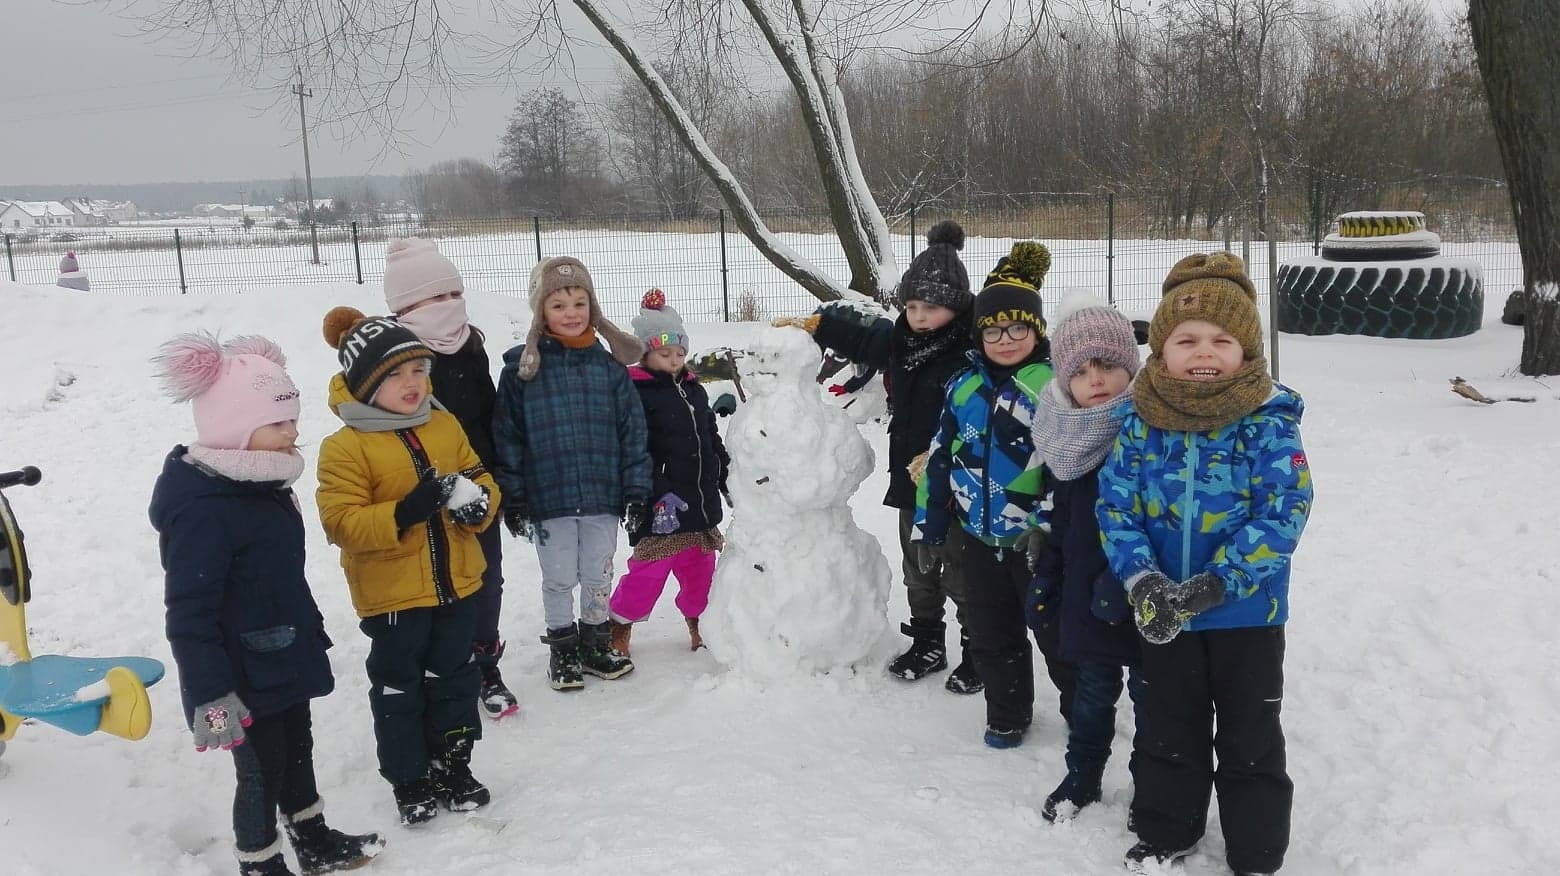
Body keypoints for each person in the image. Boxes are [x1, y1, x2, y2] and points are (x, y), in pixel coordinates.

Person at [1096, 252, 1313, 876]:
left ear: (1247, 352)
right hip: (1164, 611)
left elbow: (1284, 512)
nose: (1204, 351)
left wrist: (1220, 583)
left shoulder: (1268, 423)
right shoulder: (1140, 422)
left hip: (1247, 614)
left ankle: (1256, 848)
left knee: (1250, 736)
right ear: (1161, 350)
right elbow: (1116, 508)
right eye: (1186, 339)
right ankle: (1168, 829)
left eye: (1223, 340)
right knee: (1168, 727)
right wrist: (1145, 580)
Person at [149, 332, 382, 876]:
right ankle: (259, 861)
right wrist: (211, 695)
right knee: (260, 770)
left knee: (297, 746)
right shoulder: (205, 509)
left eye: (293, 419)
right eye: (279, 423)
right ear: (235, 428)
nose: (294, 432)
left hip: (282, 653)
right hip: (236, 675)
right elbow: (188, 613)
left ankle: (313, 836)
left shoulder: (261, 484)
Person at [315, 307, 500, 826]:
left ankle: (453, 765)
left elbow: (478, 473)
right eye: (395, 374)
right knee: (400, 688)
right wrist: (403, 511)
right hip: (393, 596)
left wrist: (478, 504)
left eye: (418, 370)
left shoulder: (442, 423)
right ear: (365, 382)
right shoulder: (345, 448)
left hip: (457, 586)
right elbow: (341, 522)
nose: (412, 383)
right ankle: (411, 778)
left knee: (454, 679)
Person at [787, 220, 982, 692]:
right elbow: (863, 334)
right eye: (911, 306)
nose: (918, 316)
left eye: (930, 307)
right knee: (918, 566)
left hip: (958, 486)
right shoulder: (901, 339)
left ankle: (980, 649)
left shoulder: (970, 349)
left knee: (959, 570)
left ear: (955, 308)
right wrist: (819, 324)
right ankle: (927, 640)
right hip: (910, 482)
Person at [912, 241, 1078, 748]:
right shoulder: (963, 386)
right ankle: (1007, 713)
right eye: (993, 330)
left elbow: (1068, 469)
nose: (1004, 339)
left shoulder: (1053, 388)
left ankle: (1082, 712)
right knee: (991, 633)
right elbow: (940, 456)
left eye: (1017, 328)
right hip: (979, 539)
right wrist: (929, 526)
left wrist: (1046, 527)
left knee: (1056, 637)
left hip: (1036, 543)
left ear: (1037, 330)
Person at [490, 256, 652, 691]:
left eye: (579, 302)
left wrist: (637, 491)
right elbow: (507, 438)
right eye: (558, 304)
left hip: (603, 494)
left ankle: (595, 643)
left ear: (593, 307)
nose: (571, 313)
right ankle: (562, 649)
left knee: (599, 573)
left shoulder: (609, 369)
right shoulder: (522, 372)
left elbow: (632, 433)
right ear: (541, 310)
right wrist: (515, 497)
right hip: (550, 497)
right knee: (560, 577)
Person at [382, 237, 516, 721]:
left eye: (452, 294)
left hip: (481, 486)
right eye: (435, 298)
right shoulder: (396, 358)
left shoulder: (472, 344)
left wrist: (498, 479)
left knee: (487, 579)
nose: (447, 306)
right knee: (436, 584)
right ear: (406, 307)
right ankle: (443, 666)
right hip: (423, 492)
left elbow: (487, 415)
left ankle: (485, 663)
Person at [1024, 292, 1144, 824]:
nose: (1096, 379)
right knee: (1091, 697)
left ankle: (1155, 786)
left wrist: (1126, 582)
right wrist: (1047, 577)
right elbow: (1060, 521)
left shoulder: (1146, 432)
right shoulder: (1063, 438)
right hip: (1085, 596)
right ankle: (1083, 775)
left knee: (1153, 700)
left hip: (1142, 595)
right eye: (1082, 370)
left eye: (1110, 366)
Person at [607, 289, 731, 657]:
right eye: (665, 354)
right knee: (648, 574)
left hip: (700, 504)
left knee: (701, 573)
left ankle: (701, 623)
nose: (674, 360)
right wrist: (654, 493)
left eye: (680, 353)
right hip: (660, 504)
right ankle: (619, 623)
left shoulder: (694, 390)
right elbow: (634, 451)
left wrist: (724, 474)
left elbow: (710, 435)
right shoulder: (635, 392)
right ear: (646, 352)